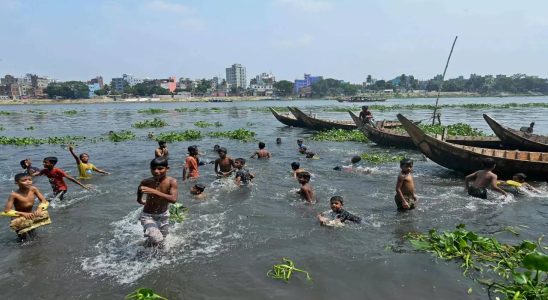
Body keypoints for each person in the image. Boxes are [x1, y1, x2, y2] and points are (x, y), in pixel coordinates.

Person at [137, 157, 178, 247]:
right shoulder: (146, 182)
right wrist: (140, 200)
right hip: (147, 215)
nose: (156, 171)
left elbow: (173, 199)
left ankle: (144, 249)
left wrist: (154, 191)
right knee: (157, 238)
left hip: (163, 215)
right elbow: (140, 189)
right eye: (153, 169)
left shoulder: (172, 182)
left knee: (163, 240)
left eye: (160, 168)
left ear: (167, 169)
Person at [2, 173, 50, 239]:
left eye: (30, 179)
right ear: (17, 183)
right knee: (22, 239)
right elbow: (7, 210)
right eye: (24, 180)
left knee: (34, 236)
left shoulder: (33, 189)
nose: (28, 181)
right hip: (18, 218)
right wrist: (23, 213)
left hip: (30, 216)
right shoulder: (14, 195)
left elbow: (43, 200)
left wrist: (39, 208)